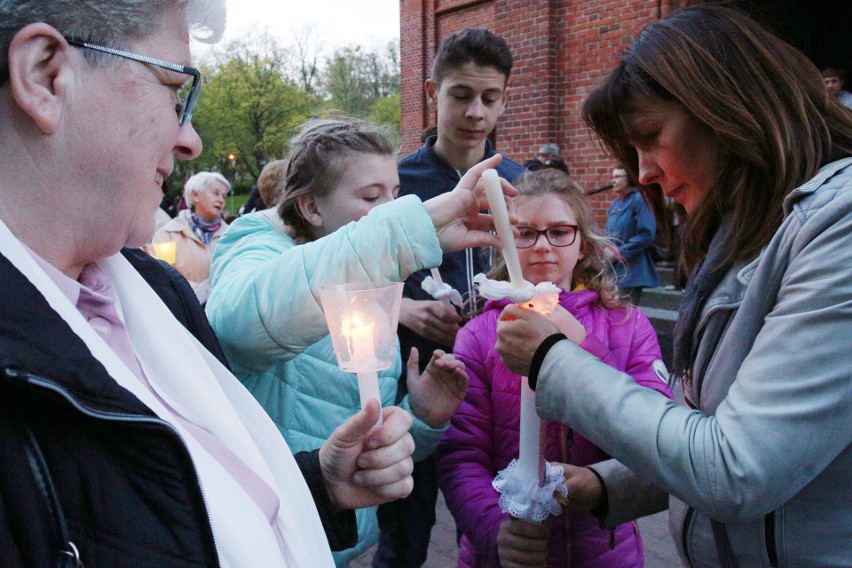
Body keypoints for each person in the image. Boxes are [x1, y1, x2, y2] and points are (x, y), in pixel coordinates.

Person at [0, 2, 486, 565]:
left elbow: (199, 502)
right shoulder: (255, 244)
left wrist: (320, 483)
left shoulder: (157, 293)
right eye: (176, 90)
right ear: (45, 76)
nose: (190, 139)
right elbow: (247, 318)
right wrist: (406, 231)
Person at [495, 5, 852, 567]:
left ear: (727, 108)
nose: (643, 174)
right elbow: (710, 428)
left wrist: (552, 361)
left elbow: (738, 468)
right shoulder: (751, 235)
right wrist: (606, 484)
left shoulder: (841, 228)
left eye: (651, 137)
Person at [205, 117, 515, 566]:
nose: (390, 209)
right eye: (372, 197)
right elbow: (239, 324)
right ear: (311, 207)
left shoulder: (372, 278)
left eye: (394, 194)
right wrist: (403, 231)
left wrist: (422, 416)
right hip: (265, 535)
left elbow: (368, 430)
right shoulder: (257, 245)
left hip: (336, 536)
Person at [437, 169, 671, 568]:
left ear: (581, 243)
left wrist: (579, 346)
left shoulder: (627, 325)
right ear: (505, 242)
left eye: (559, 231)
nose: (543, 246)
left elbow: (656, 433)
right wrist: (494, 528)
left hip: (603, 550)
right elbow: (462, 454)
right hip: (508, 550)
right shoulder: (478, 335)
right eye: (525, 233)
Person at [375, 27, 527, 568]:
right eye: (460, 95)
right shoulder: (394, 183)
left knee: (494, 534)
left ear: (505, 98)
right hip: (411, 385)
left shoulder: (520, 183)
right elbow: (341, 280)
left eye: (490, 98)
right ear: (430, 92)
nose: (476, 112)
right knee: (402, 540)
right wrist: (405, 308)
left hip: (491, 390)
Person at [152, 171, 229, 303]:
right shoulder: (169, 234)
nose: (221, 200)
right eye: (215, 193)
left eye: (224, 196)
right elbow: (164, 277)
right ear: (195, 195)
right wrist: (204, 292)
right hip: (185, 313)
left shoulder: (232, 235)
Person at [605, 166, 660, 304]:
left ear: (629, 178)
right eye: (612, 177)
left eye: (617, 177)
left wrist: (620, 252)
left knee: (624, 315)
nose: (613, 181)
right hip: (614, 269)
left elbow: (647, 233)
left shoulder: (639, 200)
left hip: (632, 270)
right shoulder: (615, 204)